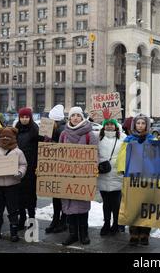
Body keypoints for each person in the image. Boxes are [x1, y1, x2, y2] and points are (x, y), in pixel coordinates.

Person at [59, 107, 99, 246]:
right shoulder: (64, 134)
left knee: (82, 208)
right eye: (73, 116)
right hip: (67, 176)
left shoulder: (89, 135)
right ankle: (72, 234)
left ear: (82, 118)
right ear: (69, 118)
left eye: (78, 115)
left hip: (83, 177)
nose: (75, 118)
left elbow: (95, 155)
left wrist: (93, 168)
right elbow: (59, 154)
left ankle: (84, 234)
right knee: (69, 208)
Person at [116, 114, 156, 246]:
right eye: (138, 123)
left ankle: (145, 234)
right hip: (132, 176)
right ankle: (133, 233)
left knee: (146, 206)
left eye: (143, 123)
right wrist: (122, 169)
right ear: (134, 125)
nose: (140, 126)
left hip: (147, 177)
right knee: (132, 206)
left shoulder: (152, 139)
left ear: (147, 125)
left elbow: (156, 157)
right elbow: (122, 157)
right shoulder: (128, 139)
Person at [0, 127, 27, 242]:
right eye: (3, 137)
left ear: (13, 138)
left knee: (13, 210)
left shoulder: (18, 152)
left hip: (12, 186)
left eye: (8, 137)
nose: (5, 139)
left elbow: (23, 165)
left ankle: (14, 233)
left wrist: (19, 173)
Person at [98, 118, 126, 236]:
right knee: (106, 203)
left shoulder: (123, 138)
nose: (109, 126)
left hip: (117, 175)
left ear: (116, 126)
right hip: (102, 174)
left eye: (112, 124)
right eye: (107, 124)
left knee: (116, 203)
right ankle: (106, 223)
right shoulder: (98, 138)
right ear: (104, 126)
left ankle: (116, 224)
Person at [44, 104, 68, 234]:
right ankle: (57, 220)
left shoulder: (61, 130)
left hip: (60, 167)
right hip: (55, 167)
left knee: (60, 196)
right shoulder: (55, 128)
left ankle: (61, 221)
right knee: (56, 195)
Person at [15, 107, 39, 230]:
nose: (24, 119)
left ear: (30, 117)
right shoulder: (16, 130)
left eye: (27, 117)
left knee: (30, 195)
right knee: (19, 195)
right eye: (22, 117)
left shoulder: (35, 130)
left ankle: (31, 218)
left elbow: (42, 147)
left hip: (31, 168)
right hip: (18, 167)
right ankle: (22, 218)